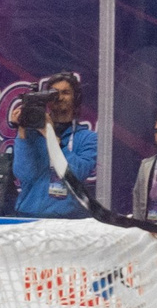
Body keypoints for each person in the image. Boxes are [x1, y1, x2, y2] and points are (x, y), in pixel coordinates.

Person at [9, 71, 98, 217]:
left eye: (65, 92)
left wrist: (50, 135)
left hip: (67, 221)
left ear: (76, 98)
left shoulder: (88, 138)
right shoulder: (32, 134)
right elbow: (23, 175)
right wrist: (22, 130)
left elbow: (77, 174)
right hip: (28, 215)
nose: (59, 97)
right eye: (54, 93)